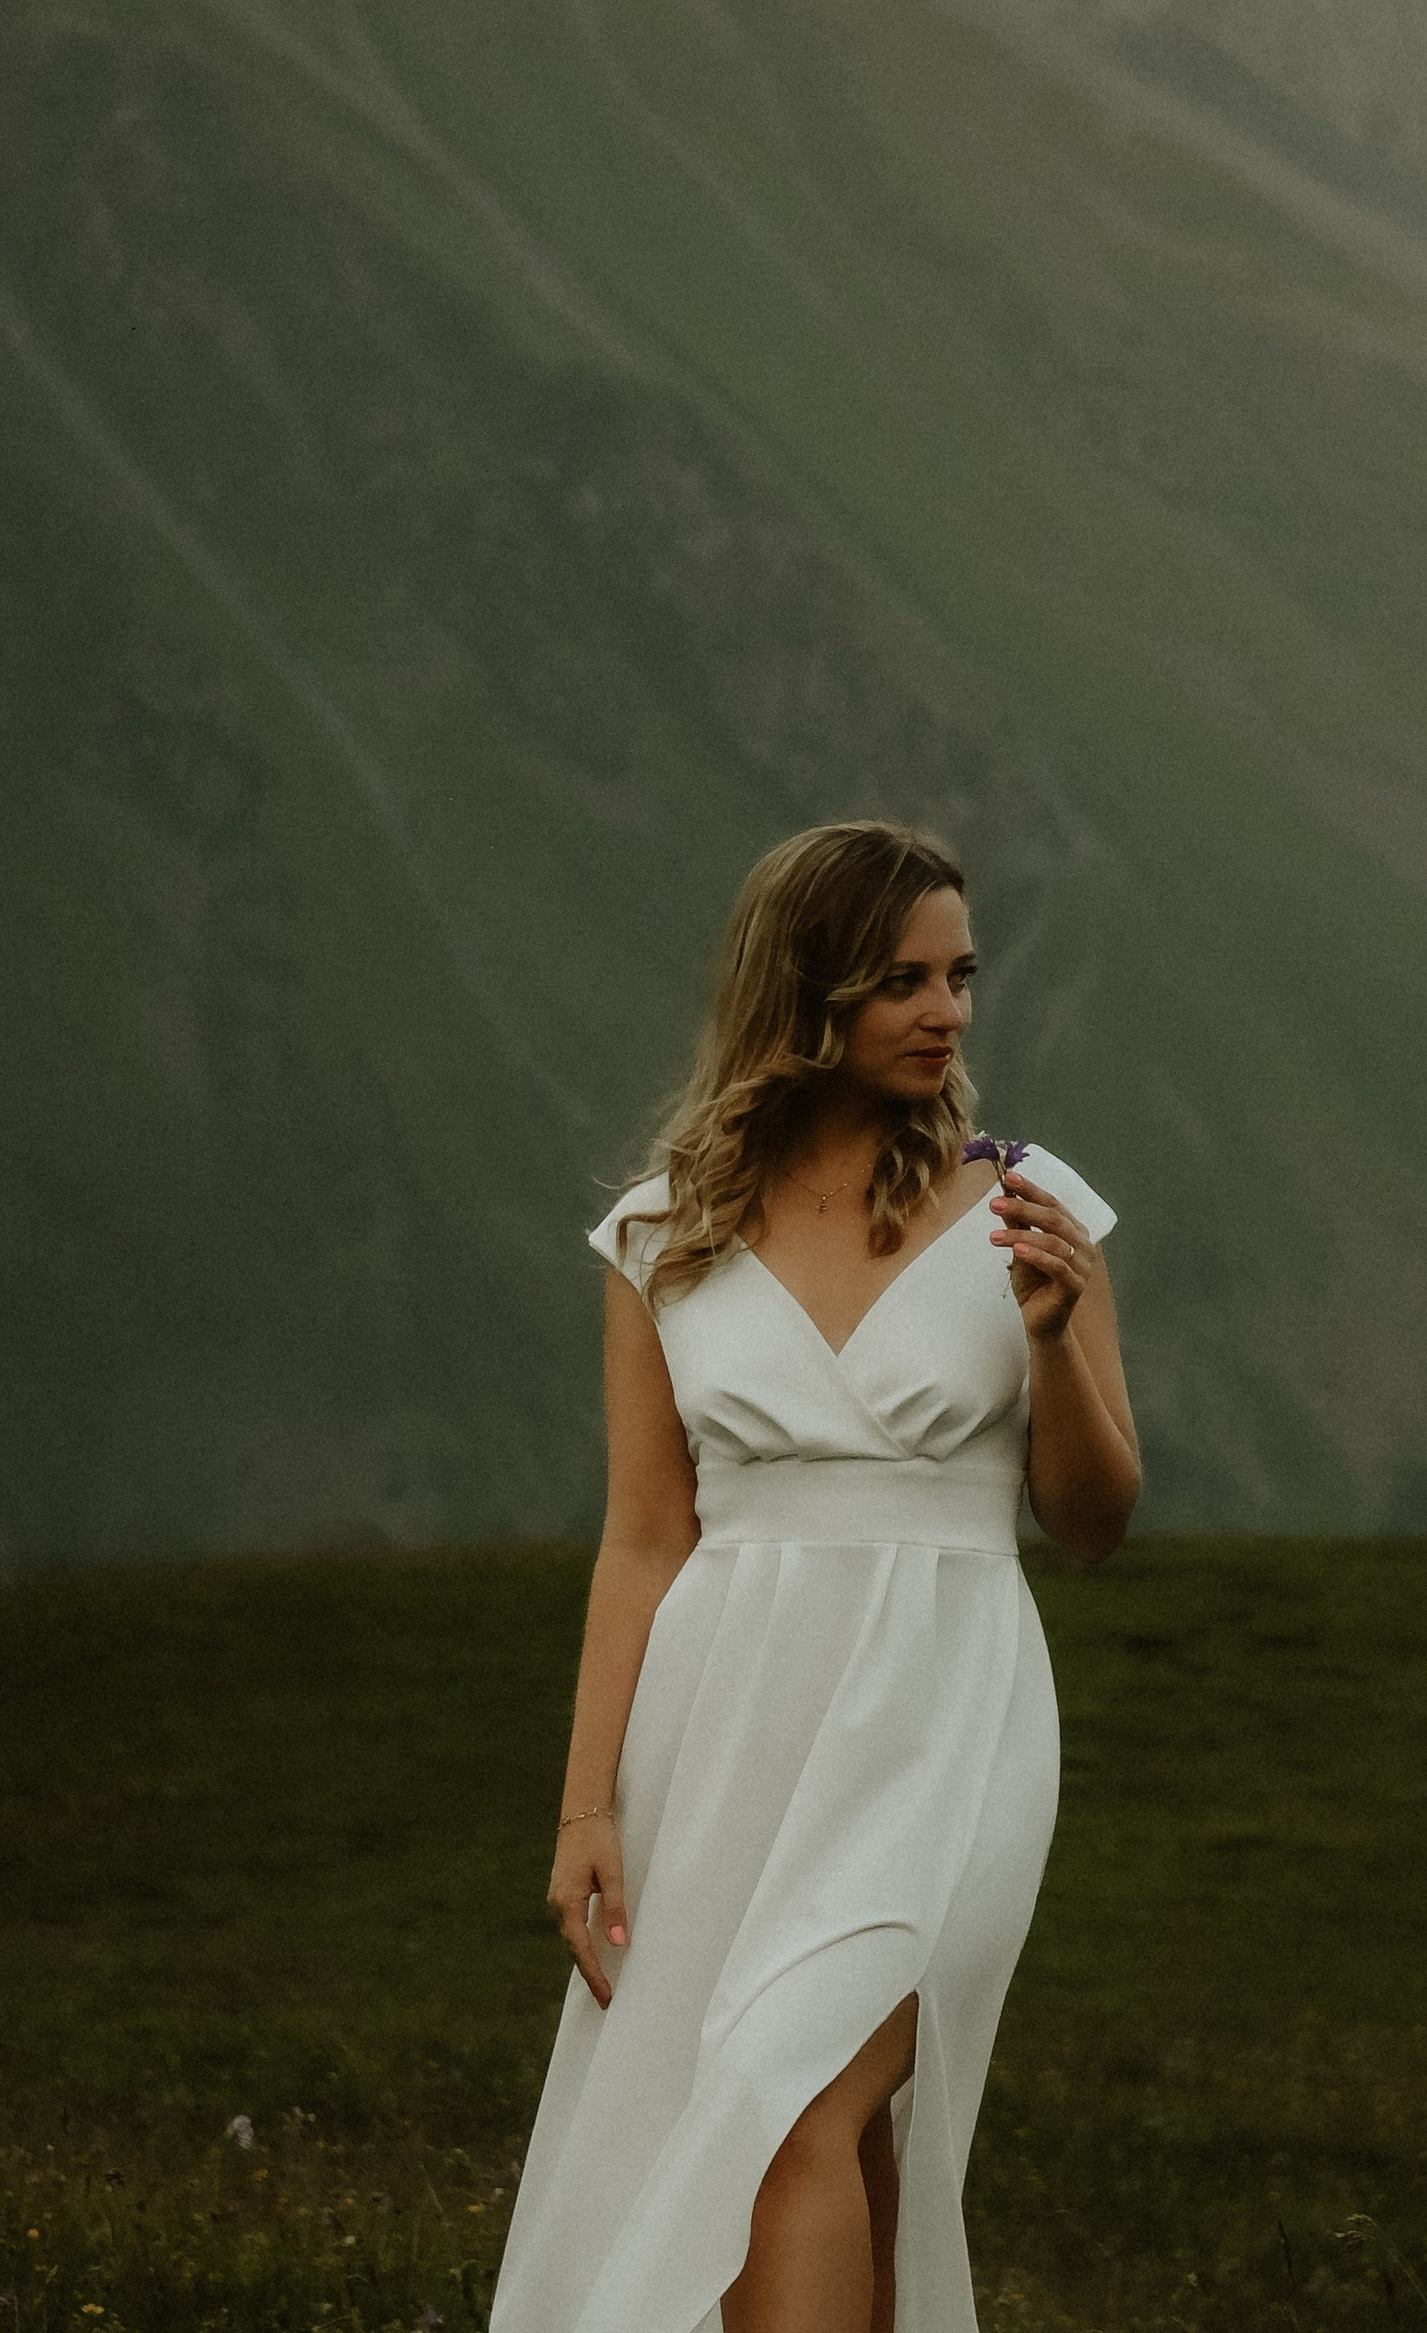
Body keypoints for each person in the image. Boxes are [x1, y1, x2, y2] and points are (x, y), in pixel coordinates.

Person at [490, 819, 1140, 2333]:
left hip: (950, 1714)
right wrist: (589, 1810)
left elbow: (1095, 1523)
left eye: (961, 976)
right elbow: (645, 1535)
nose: (947, 1012)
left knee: (792, 2107)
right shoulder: (665, 1232)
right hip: (728, 1726)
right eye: (901, 979)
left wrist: (1050, 1341)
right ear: (806, 991)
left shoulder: (1028, 1201)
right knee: (784, 2130)